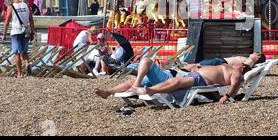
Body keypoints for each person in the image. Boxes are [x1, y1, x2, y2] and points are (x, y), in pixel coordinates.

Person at [94, 52, 263, 104]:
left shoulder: (237, 74)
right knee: (133, 80)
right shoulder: (227, 66)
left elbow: (234, 86)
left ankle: (145, 90)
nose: (240, 63)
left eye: (244, 64)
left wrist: (226, 96)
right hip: (187, 73)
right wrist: (194, 66)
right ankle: (108, 92)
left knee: (149, 64)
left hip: (196, 80)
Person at [1, 0, 36, 78]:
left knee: (17, 53)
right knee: (24, 51)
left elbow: (7, 22)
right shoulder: (26, 6)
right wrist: (32, 32)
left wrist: (4, 34)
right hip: (26, 32)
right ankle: (27, 63)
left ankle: (20, 73)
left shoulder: (11, 7)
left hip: (16, 32)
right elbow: (31, 20)